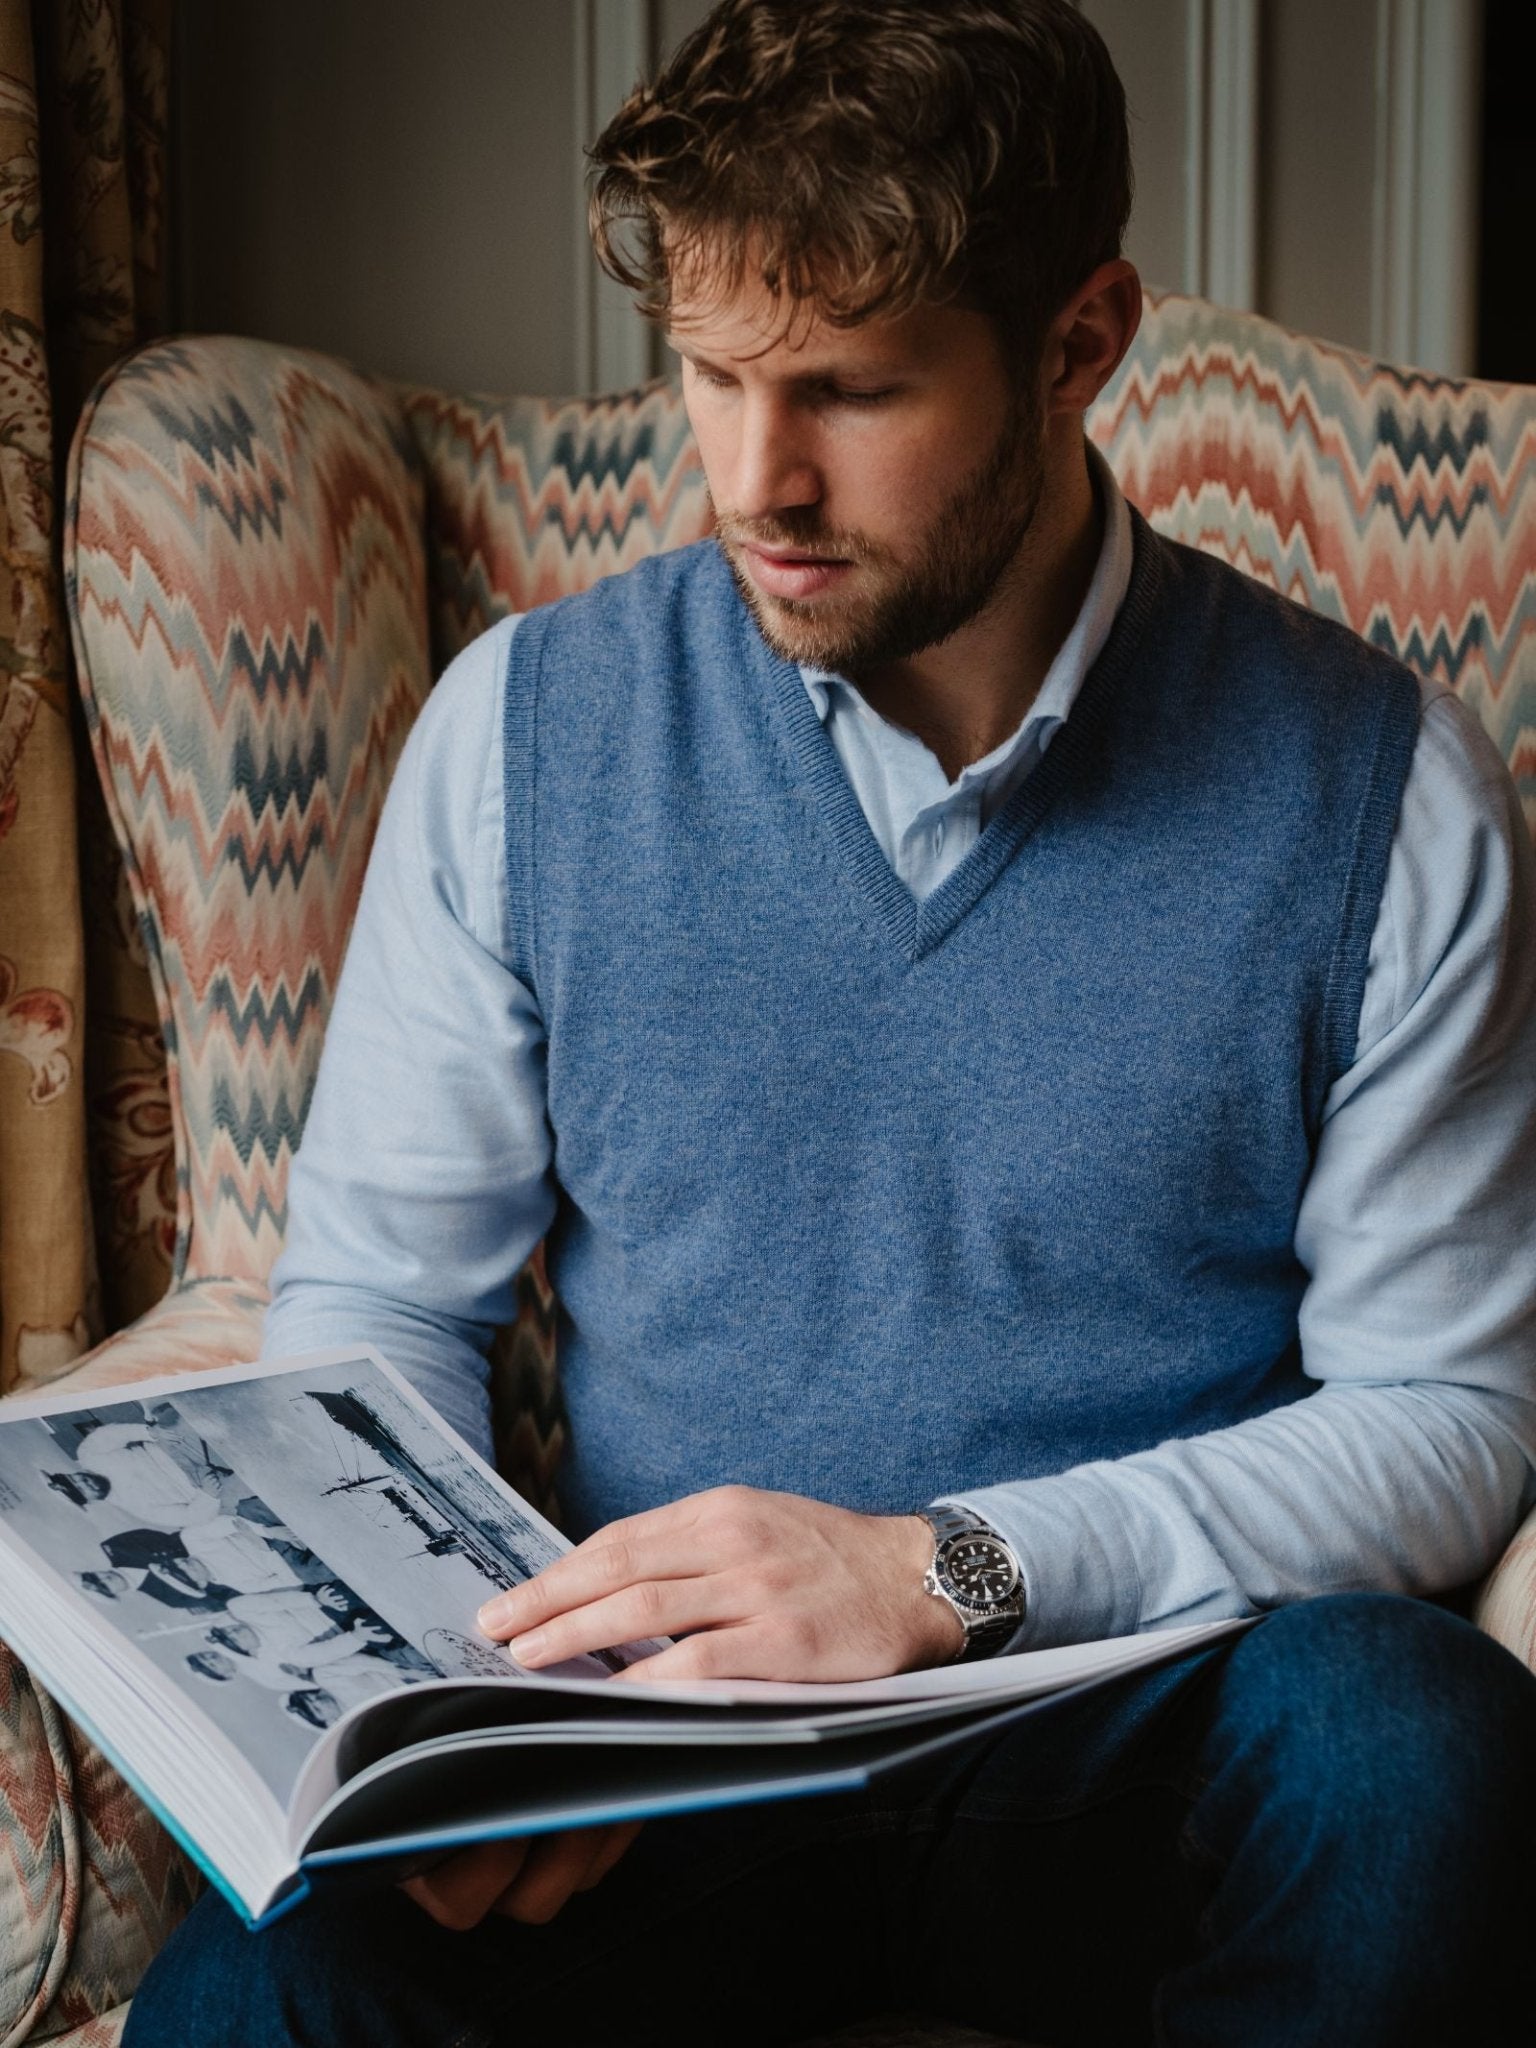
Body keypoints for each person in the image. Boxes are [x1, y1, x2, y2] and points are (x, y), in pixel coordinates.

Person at [124, 3, 1536, 2044]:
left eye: (855, 391)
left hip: (1134, 1729)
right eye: (711, 376)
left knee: (1423, 1753)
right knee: (258, 1993)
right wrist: (454, 1697)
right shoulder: (523, 738)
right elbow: (380, 1321)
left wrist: (945, 1568)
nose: (756, 480)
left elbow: (1448, 1414)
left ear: (1079, 341)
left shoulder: (1389, 798)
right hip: (665, 1780)